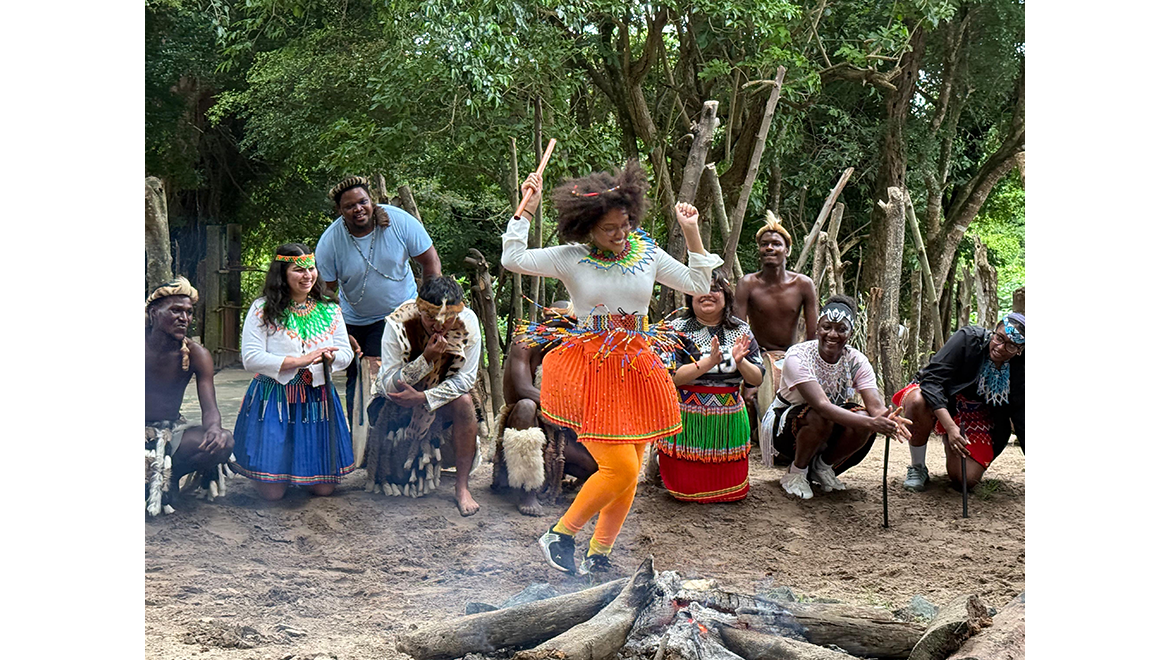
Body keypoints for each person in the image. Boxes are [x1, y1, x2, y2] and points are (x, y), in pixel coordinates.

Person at [502, 160, 723, 575]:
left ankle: (598, 554)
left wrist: (691, 230)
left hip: (638, 365)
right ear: (586, 227)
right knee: (617, 467)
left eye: (625, 224)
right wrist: (525, 208)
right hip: (593, 367)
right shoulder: (571, 258)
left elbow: (698, 285)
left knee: (631, 470)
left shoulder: (647, 254)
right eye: (609, 229)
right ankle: (560, 535)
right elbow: (512, 257)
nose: (620, 235)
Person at [232, 244, 355, 501]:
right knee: (273, 493)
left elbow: (346, 353)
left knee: (323, 489)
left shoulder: (330, 309)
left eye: (311, 268)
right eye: (298, 270)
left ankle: (302, 469)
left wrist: (330, 359)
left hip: (316, 396)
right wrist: (299, 361)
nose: (307, 275)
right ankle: (276, 471)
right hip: (274, 395)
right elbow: (251, 358)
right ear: (282, 274)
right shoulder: (261, 309)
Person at [315, 176, 443, 423]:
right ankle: (360, 445)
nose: (358, 209)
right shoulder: (330, 241)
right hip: (358, 320)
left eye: (362, 202)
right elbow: (326, 293)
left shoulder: (400, 222)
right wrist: (339, 330)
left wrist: (429, 306)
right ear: (340, 211)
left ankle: (399, 437)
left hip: (403, 313)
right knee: (359, 380)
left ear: (371, 201)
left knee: (402, 375)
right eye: (350, 206)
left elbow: (431, 262)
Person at [760, 294, 911, 500]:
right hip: (786, 429)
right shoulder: (798, 355)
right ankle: (796, 473)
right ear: (817, 328)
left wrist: (887, 418)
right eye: (826, 327)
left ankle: (822, 467)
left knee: (864, 418)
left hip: (826, 425)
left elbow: (874, 407)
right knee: (821, 416)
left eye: (841, 329)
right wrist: (872, 421)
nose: (832, 334)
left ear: (850, 333)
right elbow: (822, 406)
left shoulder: (857, 360)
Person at [367, 276, 483, 516]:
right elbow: (389, 382)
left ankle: (462, 487)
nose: (439, 326)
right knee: (397, 481)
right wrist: (425, 360)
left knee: (465, 401)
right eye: (431, 318)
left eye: (447, 319)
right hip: (397, 404)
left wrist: (425, 398)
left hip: (442, 399)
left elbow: (465, 380)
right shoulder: (397, 324)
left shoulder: (468, 322)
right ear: (420, 309)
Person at [657, 270, 763, 503]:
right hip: (687, 417)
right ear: (690, 296)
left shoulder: (741, 330)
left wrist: (740, 361)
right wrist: (708, 363)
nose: (708, 294)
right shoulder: (676, 329)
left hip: (729, 419)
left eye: (715, 289)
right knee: (684, 488)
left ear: (726, 295)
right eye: (700, 289)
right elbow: (670, 377)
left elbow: (756, 379)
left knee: (732, 488)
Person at [491, 302, 598, 516]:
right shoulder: (525, 342)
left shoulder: (573, 348)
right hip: (525, 421)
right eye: (559, 326)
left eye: (570, 327)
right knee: (526, 406)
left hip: (559, 427)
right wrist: (563, 411)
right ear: (545, 323)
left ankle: (556, 474)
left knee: (594, 468)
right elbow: (523, 389)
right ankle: (526, 491)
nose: (564, 333)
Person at [896, 313, 1025, 491]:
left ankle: (953, 443)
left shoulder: (1022, 365)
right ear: (994, 331)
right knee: (918, 401)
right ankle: (917, 467)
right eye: (999, 338)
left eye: (1011, 346)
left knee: (965, 480)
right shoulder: (969, 338)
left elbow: (1022, 413)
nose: (1000, 347)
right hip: (939, 398)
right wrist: (949, 426)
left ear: (1020, 350)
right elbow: (932, 381)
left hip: (977, 413)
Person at [732, 211, 818, 465]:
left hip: (791, 356)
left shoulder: (803, 284)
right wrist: (749, 376)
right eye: (764, 244)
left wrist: (807, 367)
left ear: (787, 250)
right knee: (748, 397)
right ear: (758, 249)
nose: (769, 247)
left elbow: (813, 336)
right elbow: (738, 331)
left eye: (776, 244)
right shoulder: (748, 284)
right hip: (755, 356)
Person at [145, 277, 235, 515]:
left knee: (224, 441)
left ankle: (171, 477)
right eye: (175, 311)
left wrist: (215, 428)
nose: (184, 318)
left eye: (188, 312)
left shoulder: (196, 354)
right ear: (154, 313)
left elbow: (210, 409)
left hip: (168, 433)